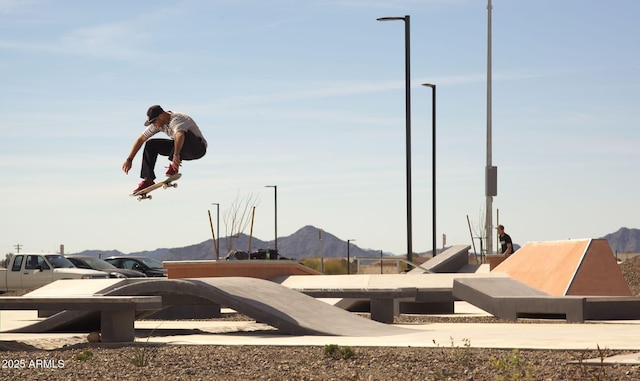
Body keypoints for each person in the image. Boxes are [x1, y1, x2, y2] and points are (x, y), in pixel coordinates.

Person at [123, 105, 207, 193]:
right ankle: (148, 179)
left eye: (154, 121)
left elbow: (179, 135)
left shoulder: (177, 119)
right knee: (151, 144)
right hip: (182, 150)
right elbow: (141, 139)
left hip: (197, 149)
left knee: (181, 134)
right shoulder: (157, 125)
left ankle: (174, 166)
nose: (154, 124)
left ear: (161, 116)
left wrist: (176, 154)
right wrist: (129, 159)